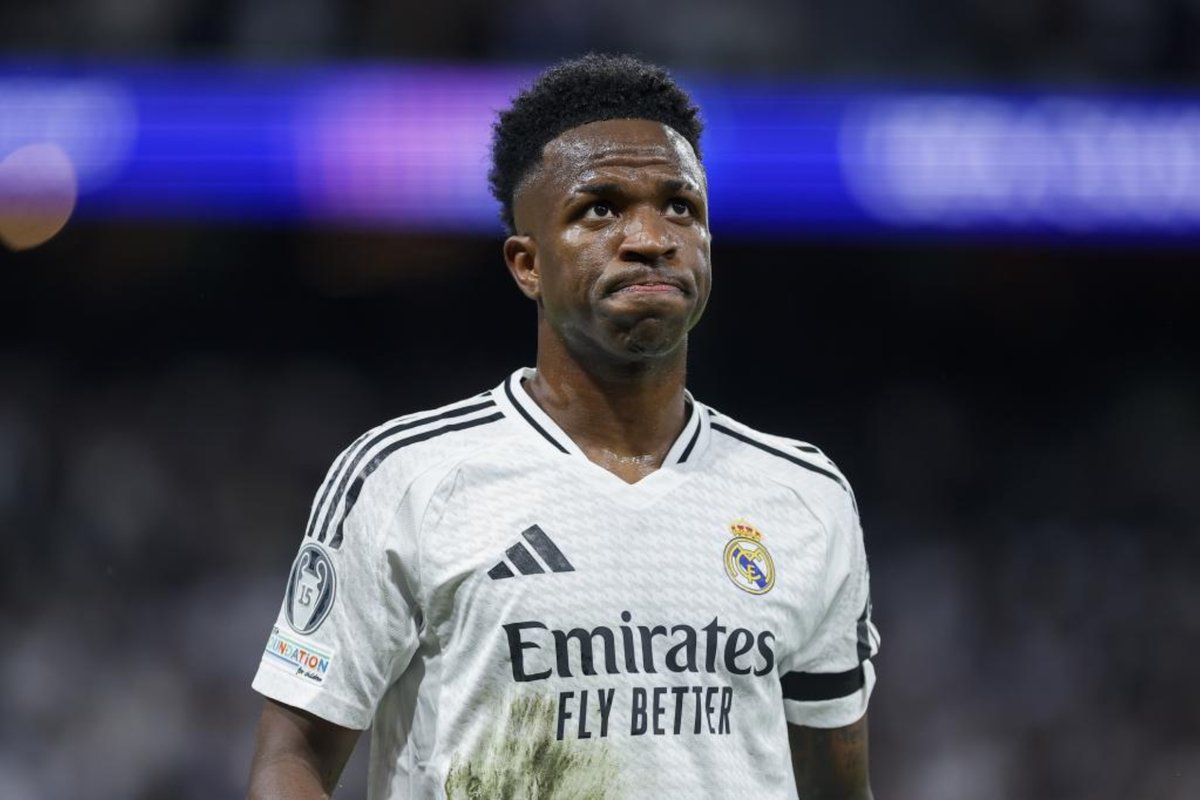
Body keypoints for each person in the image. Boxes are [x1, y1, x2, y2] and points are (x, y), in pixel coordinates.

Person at [247, 53, 880, 800]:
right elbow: (292, 758)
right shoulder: (407, 476)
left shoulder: (805, 495)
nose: (651, 237)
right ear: (527, 265)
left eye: (681, 207)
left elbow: (837, 785)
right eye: (601, 209)